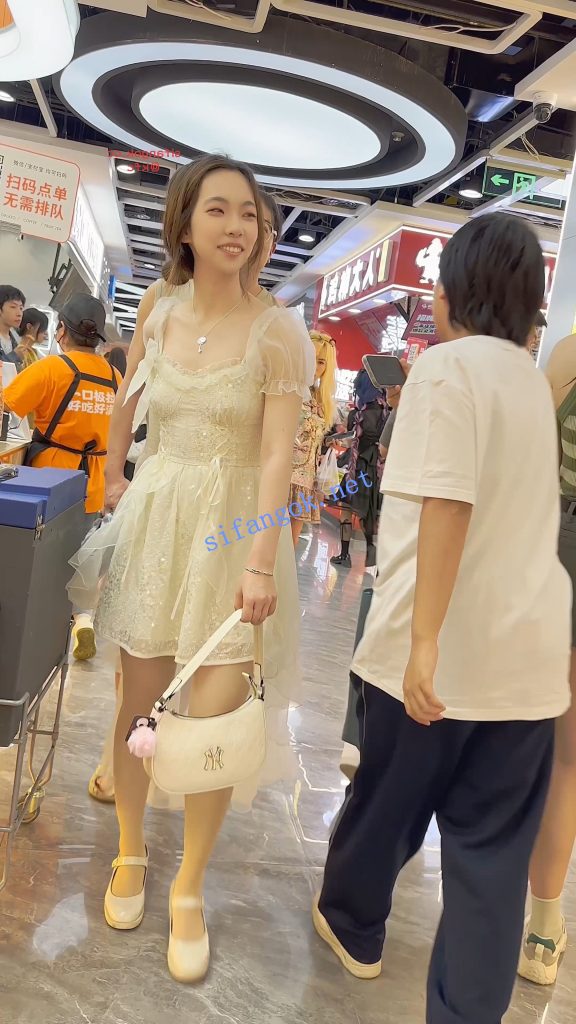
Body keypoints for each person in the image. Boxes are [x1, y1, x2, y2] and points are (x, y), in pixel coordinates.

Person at [313, 213, 571, 1024]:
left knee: (387, 802)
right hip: (527, 664)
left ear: (451, 291)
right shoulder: (531, 381)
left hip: (437, 657)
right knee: (490, 864)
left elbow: (448, 503)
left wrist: (424, 641)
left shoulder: (446, 369)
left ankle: (355, 925)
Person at [67, 154, 314, 983]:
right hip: (158, 522)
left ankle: (190, 887)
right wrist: (114, 480)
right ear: (184, 222)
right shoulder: (159, 309)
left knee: (212, 721)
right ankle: (132, 852)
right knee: (138, 703)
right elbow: (128, 400)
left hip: (234, 540)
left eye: (249, 212)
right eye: (218, 209)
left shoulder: (278, 332)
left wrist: (261, 563)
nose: (237, 226)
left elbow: (277, 454)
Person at [3, 295, 121, 661]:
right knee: (75, 561)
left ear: (62, 330)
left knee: (35, 566)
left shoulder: (51, 368)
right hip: (93, 484)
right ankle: (79, 620)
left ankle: (30, 643)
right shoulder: (114, 377)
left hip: (49, 481)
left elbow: (7, 405)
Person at [518, 326, 576, 985]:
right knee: (569, 762)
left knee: (544, 747)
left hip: (560, 553)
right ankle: (541, 927)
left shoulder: (567, 354)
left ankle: (535, 924)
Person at [330, 370, 386, 569]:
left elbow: (352, 441)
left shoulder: (356, 414)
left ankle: (345, 555)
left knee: (347, 508)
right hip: (379, 469)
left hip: (357, 468)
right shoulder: (387, 413)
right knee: (373, 512)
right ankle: (373, 553)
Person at [289, 331, 337, 546]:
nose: (315, 366)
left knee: (291, 542)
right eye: (311, 358)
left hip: (305, 479)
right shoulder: (287, 388)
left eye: (321, 362)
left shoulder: (322, 400)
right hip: (280, 474)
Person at [0, 285, 25, 369]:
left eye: (21, 308)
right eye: (13, 307)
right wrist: (15, 356)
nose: (19, 313)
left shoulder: (14, 340)